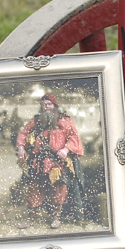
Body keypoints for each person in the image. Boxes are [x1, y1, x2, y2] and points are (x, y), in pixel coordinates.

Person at [14, 93, 85, 229]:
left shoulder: (64, 120)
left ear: (55, 106)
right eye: (43, 105)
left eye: (48, 104)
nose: (46, 107)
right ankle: (31, 219)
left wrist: (65, 149)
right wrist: (21, 147)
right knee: (34, 189)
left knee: (59, 190)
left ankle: (55, 218)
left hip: (57, 163)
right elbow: (23, 133)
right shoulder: (36, 121)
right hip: (38, 163)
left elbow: (74, 137)